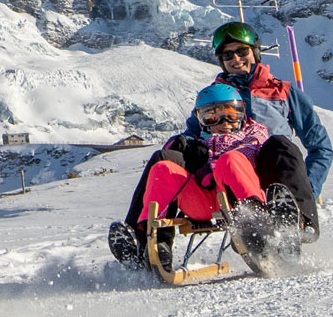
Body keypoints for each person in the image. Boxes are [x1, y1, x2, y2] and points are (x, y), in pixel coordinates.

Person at [112, 83, 277, 268]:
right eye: (212, 117)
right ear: (200, 119)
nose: (224, 124)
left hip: (237, 200)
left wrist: (212, 163)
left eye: (231, 115)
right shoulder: (194, 141)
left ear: (242, 114)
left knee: (230, 159)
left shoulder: (253, 135)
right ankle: (154, 242)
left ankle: (256, 225)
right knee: (163, 168)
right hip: (203, 203)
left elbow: (256, 154)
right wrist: (184, 149)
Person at [210, 20, 329, 236]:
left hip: (277, 178)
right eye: (227, 55)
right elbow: (193, 139)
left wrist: (306, 187)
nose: (236, 59)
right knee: (167, 155)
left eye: (241, 51)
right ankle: (140, 240)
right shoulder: (213, 98)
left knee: (279, 143)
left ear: (255, 52)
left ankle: (298, 219)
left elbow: (321, 147)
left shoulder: (283, 92)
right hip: (235, 181)